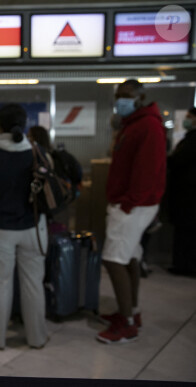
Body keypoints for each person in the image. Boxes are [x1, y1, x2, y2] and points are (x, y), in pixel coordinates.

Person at [0, 103, 48, 350]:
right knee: (34, 283)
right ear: (24, 125)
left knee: (0, 284)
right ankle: (37, 338)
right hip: (33, 228)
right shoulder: (35, 152)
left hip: (0, 229)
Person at [97, 79, 166, 344]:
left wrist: (127, 204)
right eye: (118, 95)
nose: (120, 100)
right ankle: (131, 312)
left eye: (125, 95)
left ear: (140, 97)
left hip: (132, 206)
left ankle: (126, 325)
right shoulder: (134, 125)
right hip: (133, 204)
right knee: (130, 258)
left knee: (114, 260)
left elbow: (148, 172)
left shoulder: (147, 126)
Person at [166, 107, 196, 277]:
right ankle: (183, 264)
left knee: (187, 232)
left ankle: (186, 266)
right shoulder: (189, 138)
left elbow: (178, 160)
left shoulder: (193, 140)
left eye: (190, 117)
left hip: (189, 195)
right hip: (185, 193)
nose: (187, 120)